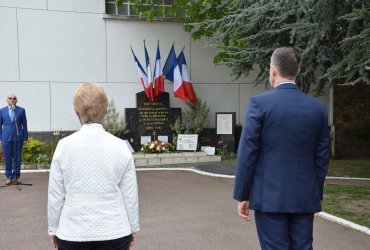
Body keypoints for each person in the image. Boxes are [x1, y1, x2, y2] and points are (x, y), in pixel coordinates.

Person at [233, 47, 330, 250]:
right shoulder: (318, 108)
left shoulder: (259, 104)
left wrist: (243, 194)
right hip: (304, 197)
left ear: (272, 70)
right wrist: (315, 195)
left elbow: (247, 152)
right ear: (297, 71)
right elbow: (322, 158)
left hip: (269, 199)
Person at [48, 83, 139, 250]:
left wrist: (54, 228)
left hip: (72, 232)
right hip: (115, 231)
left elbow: (56, 194)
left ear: (77, 112)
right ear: (105, 111)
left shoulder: (64, 146)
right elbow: (129, 194)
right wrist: (132, 227)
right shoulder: (120, 146)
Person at [0, 94, 28, 185]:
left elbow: (25, 124)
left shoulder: (21, 110)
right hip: (6, 138)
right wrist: (0, 138)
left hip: (18, 137)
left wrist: (25, 137)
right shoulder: (2, 111)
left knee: (17, 158)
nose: (12, 99)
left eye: (14, 98)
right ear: (7, 100)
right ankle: (9, 177)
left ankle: (16, 176)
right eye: (10, 98)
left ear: (16, 100)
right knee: (7, 158)